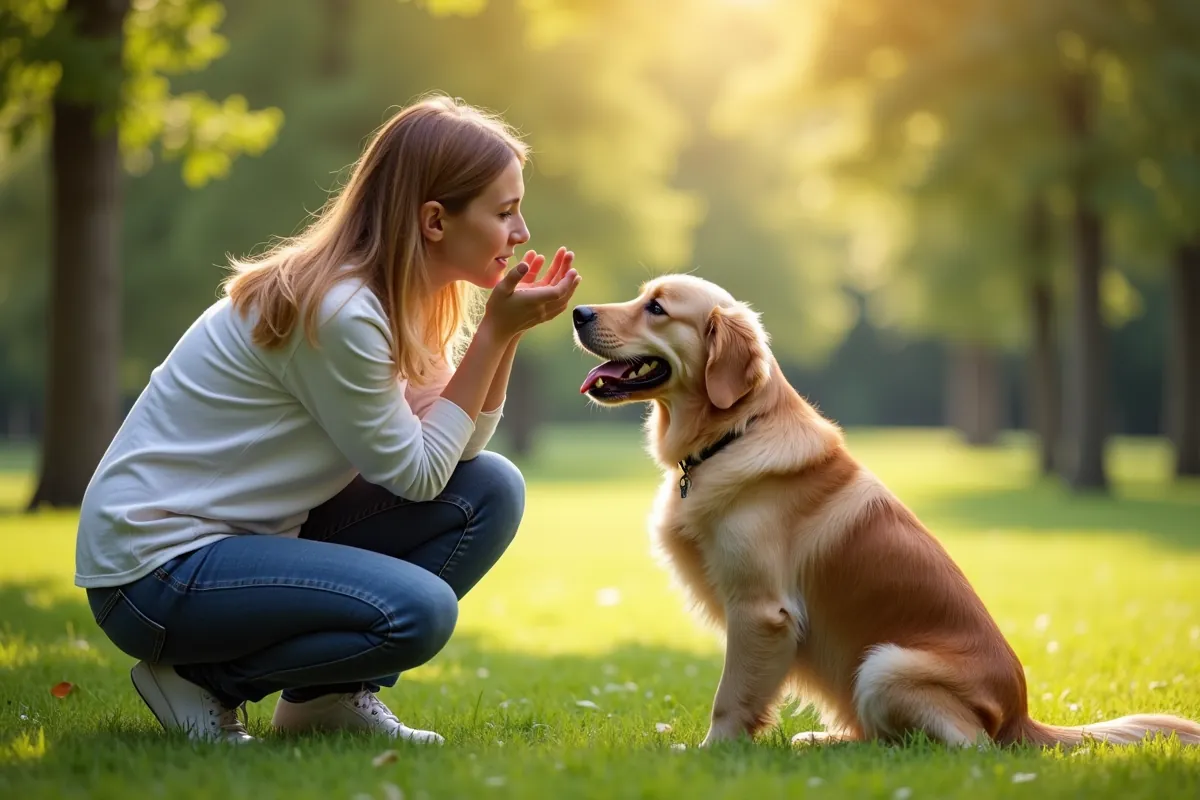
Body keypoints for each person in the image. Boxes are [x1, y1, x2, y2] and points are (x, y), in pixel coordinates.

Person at [74, 95, 581, 745]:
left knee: (490, 488)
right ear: (434, 221)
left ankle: (324, 698)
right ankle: (202, 681)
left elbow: (457, 452)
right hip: (156, 570)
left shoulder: (410, 298)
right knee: (419, 613)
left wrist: (501, 337)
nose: (522, 233)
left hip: (246, 547)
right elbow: (419, 477)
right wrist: (496, 335)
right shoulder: (343, 311)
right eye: (505, 212)